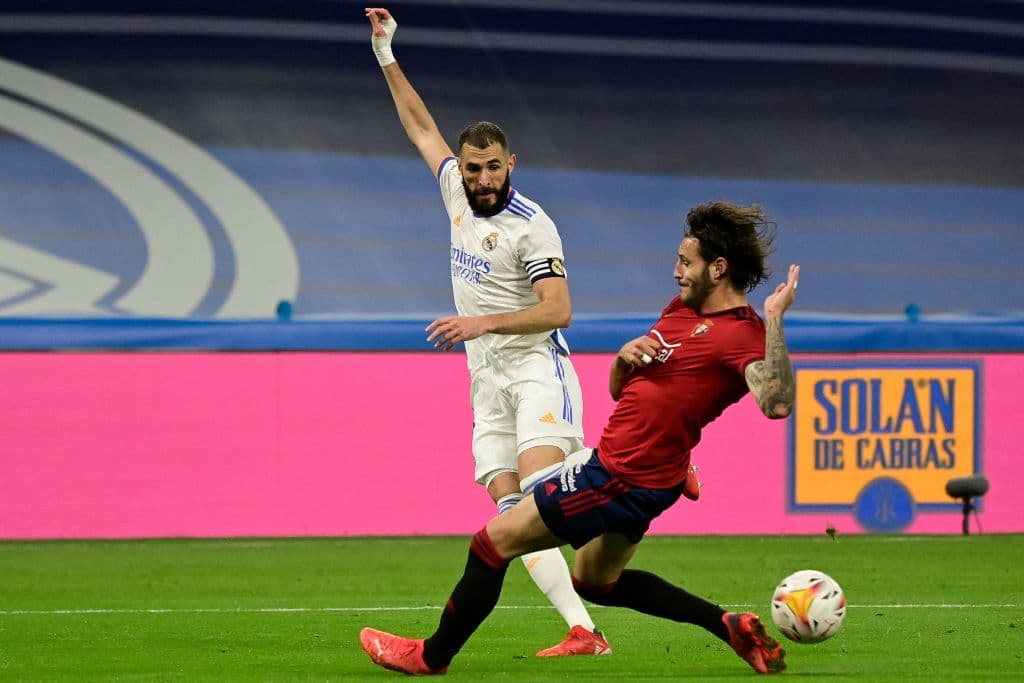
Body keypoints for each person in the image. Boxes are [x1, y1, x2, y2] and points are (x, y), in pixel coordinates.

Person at [359, 201, 800, 676]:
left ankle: (431, 656)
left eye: (685, 262)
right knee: (595, 582)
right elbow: (621, 390)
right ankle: (726, 625)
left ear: (718, 268)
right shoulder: (680, 311)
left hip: (620, 475)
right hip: (647, 477)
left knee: (492, 544)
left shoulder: (743, 335)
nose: (675, 271)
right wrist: (623, 360)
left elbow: (776, 403)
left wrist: (775, 318)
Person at [364, 7, 611, 656]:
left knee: (538, 494)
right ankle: (584, 629)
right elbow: (420, 126)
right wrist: (386, 54)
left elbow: (559, 310)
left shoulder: (534, 226)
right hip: (487, 379)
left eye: (492, 168)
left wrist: (482, 321)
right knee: (512, 515)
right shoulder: (454, 193)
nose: (480, 179)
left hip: (536, 369)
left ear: (512, 163)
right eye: (472, 168)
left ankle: (633, 465)